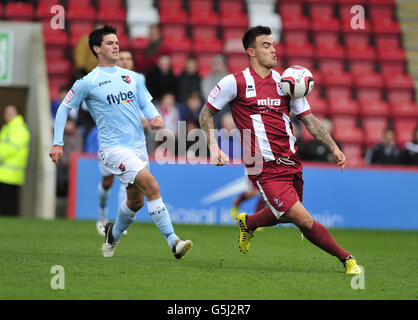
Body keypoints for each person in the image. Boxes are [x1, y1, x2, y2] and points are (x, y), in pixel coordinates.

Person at [198, 26, 361, 274]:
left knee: (285, 213)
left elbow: (308, 118)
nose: (273, 50)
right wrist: (213, 146)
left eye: (273, 44)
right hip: (262, 165)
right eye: (266, 45)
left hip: (291, 160)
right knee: (303, 219)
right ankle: (347, 259)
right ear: (251, 52)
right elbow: (206, 113)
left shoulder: (287, 82)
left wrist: (333, 146)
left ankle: (249, 222)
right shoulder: (235, 82)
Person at [49, 25, 192, 259]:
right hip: (113, 149)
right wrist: (58, 143)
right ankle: (174, 241)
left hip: (138, 147)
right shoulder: (88, 82)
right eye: (109, 42)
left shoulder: (132, 77)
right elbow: (64, 108)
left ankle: (112, 235)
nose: (115, 46)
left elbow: (145, 102)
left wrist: (154, 115)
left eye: (117, 42)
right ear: (96, 48)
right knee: (153, 186)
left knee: (134, 202)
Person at [94, 50, 149, 236]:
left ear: (132, 62)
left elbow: (142, 103)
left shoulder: (138, 79)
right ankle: (102, 217)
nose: (125, 62)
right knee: (108, 181)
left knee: (127, 181)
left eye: (128, 58)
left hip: (132, 140)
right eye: (122, 59)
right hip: (109, 140)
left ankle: (118, 224)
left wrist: (147, 118)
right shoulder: (105, 78)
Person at [0, 105, 30, 216]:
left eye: (10, 113)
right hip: (4, 174)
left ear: (16, 114)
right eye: (6, 113)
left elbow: (11, 148)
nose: (7, 116)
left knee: (9, 205)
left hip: (11, 175)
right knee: (5, 204)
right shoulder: (7, 128)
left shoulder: (19, 128)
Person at [56, 117, 83, 196]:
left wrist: (69, 160)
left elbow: (78, 150)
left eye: (70, 124)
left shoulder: (78, 135)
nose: (68, 126)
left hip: (72, 163)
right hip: (62, 162)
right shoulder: (61, 135)